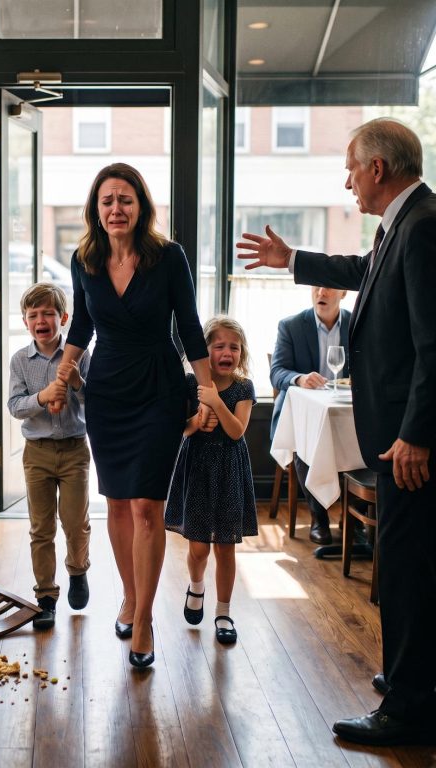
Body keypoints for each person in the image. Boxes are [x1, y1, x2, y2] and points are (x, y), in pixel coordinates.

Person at [237, 117, 436, 746]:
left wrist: (418, 433)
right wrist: (291, 259)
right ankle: (413, 677)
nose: (346, 179)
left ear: (378, 168)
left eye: (351, 167)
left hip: (411, 442)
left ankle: (408, 711)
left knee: (407, 567)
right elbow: (361, 269)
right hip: (396, 432)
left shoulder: (425, 227)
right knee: (410, 563)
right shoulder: (401, 222)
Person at [54, 163, 211, 668]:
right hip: (107, 392)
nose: (116, 209)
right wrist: (62, 375)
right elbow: (81, 322)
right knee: (117, 504)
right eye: (107, 201)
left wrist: (207, 391)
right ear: (95, 210)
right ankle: (129, 593)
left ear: (140, 206)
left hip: (159, 388)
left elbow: (188, 325)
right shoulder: (85, 259)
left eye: (125, 199)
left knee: (147, 505)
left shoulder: (168, 257)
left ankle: (143, 620)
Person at [166, 316, 257, 645]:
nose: (227, 352)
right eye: (219, 345)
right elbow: (183, 428)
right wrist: (198, 418)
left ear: (241, 353)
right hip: (198, 470)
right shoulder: (193, 385)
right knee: (199, 547)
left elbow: (237, 431)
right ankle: (196, 586)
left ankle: (223, 611)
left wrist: (217, 403)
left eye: (234, 347)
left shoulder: (244, 387)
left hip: (230, 471)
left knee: (225, 548)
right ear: (206, 352)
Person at [8, 282, 92, 630]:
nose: (41, 320)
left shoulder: (81, 356)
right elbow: (15, 406)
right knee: (41, 528)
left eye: (48, 313)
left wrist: (76, 382)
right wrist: (42, 397)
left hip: (74, 450)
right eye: (33, 315)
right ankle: (45, 596)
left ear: (64, 318)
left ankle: (77, 570)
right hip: (37, 452)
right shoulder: (20, 361)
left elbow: (95, 404)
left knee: (74, 522)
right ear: (26, 322)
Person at [271, 286, 351, 544]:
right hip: (302, 414)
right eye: (316, 287)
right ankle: (320, 519)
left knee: (367, 441)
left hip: (344, 410)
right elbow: (277, 372)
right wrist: (300, 378)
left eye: (329, 288)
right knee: (304, 444)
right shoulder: (291, 325)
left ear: (344, 293)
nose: (321, 293)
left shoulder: (358, 323)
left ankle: (355, 522)